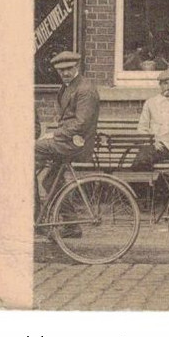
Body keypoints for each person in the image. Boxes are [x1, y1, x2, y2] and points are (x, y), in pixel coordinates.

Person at [35, 51, 100, 222]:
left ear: (77, 66)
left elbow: (81, 123)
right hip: (66, 141)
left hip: (75, 144)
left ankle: (35, 217)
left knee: (30, 151)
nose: (64, 73)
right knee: (49, 181)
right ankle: (71, 225)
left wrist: (54, 134)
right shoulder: (67, 86)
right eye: (61, 70)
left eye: (69, 69)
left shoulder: (85, 89)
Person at [130, 68, 169, 169]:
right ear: (160, 85)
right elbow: (142, 128)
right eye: (166, 83)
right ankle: (142, 185)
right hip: (157, 146)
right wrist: (152, 142)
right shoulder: (150, 103)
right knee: (142, 160)